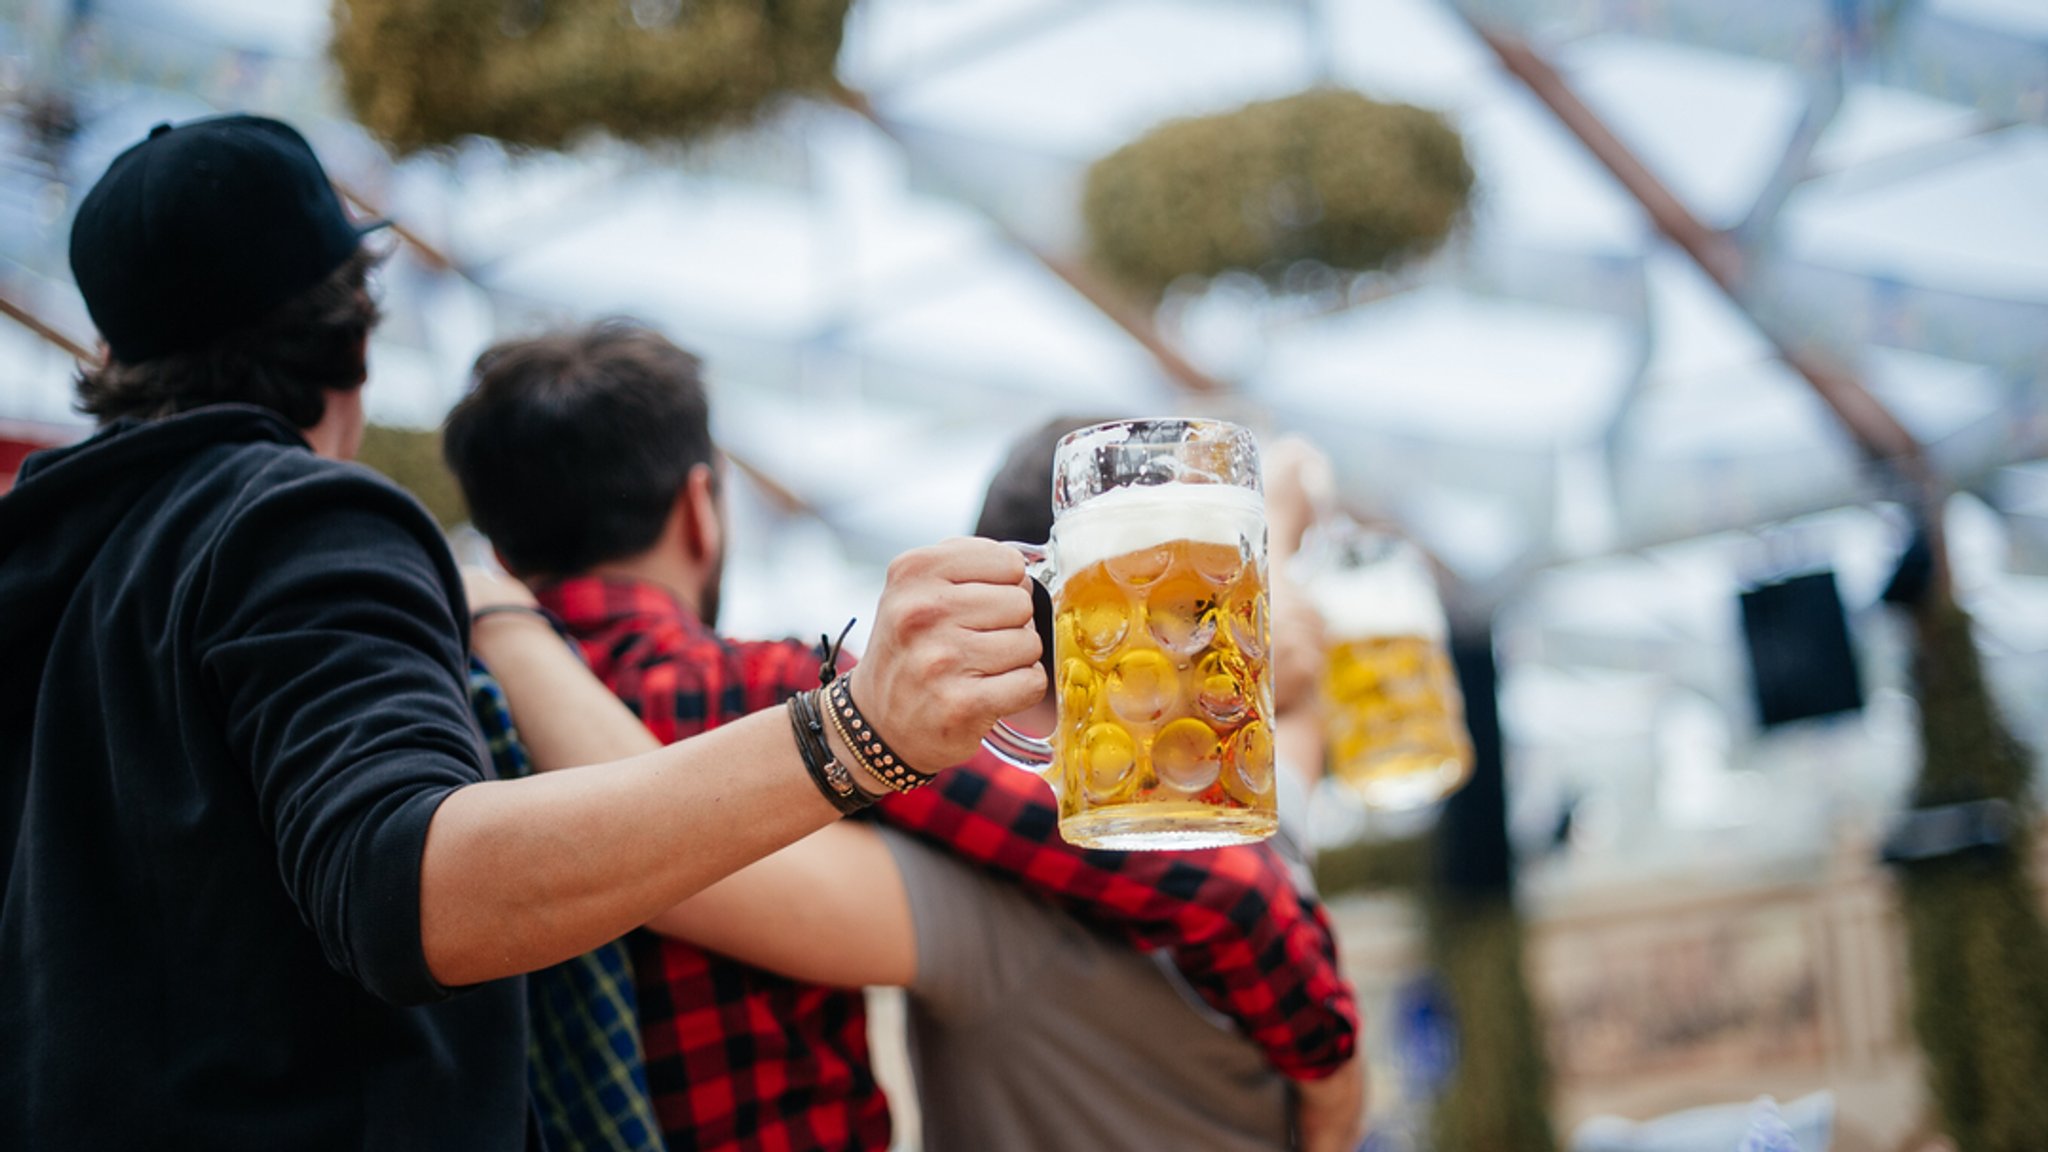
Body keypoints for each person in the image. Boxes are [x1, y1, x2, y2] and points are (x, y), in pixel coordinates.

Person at [0, 114, 1043, 1150]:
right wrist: (853, 728)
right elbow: (404, 883)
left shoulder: (40, 566)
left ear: (112, 350)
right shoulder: (296, 522)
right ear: (353, 337)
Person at [444, 333, 1366, 1152]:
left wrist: (501, 627)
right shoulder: (787, 696)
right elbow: (1223, 886)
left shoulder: (447, 708)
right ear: (699, 508)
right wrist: (1334, 1070)